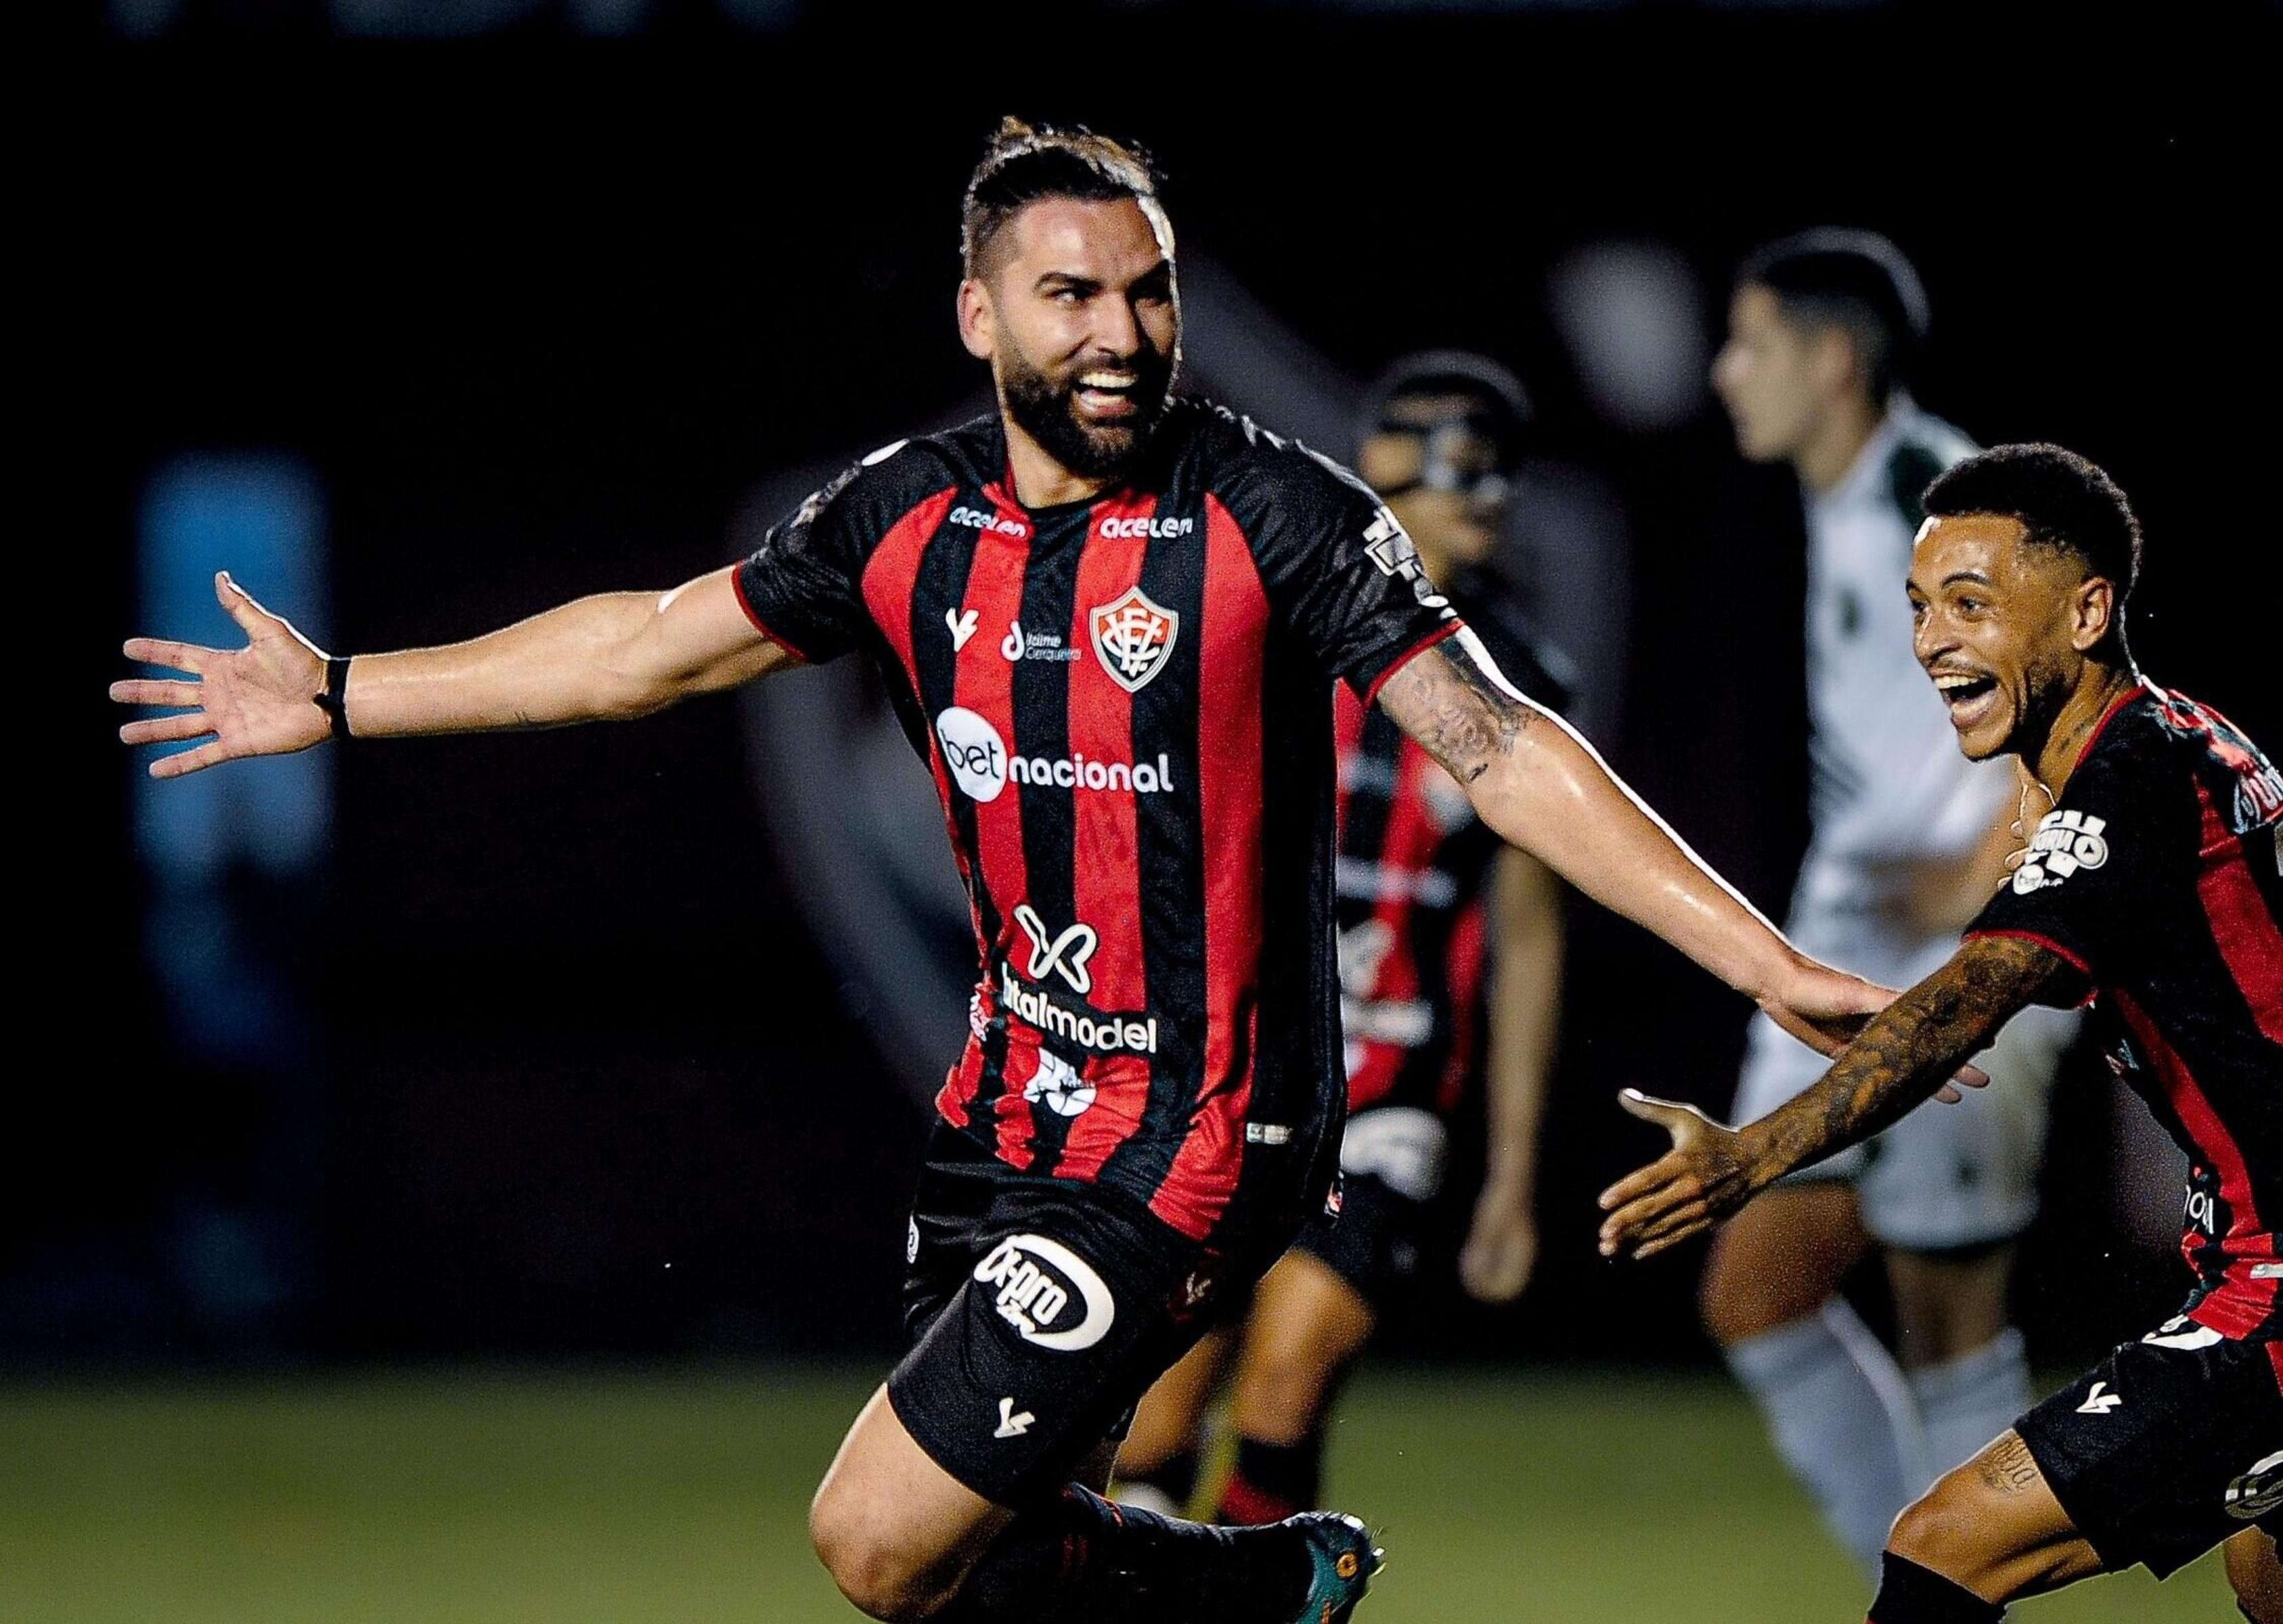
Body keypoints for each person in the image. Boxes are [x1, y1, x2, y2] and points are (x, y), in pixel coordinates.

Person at [114, 119, 1911, 1624]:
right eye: (1074, 295)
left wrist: (1762, 962)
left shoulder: (1272, 512)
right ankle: (1250, 1590)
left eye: (1149, 291)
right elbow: (646, 646)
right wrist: (346, 693)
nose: (1124, 333)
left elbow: (1501, 745)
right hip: (1006, 1109)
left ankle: (1235, 1586)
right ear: (981, 312)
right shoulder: (906, 515)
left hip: (1202, 1125)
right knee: (981, 1571)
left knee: (874, 1538)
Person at [1597, 443, 2283, 1624]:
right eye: (1918, 607)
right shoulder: (2149, 747)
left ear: (2090, 609)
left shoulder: (2135, 776)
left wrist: (1754, 1155)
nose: (1932, 640)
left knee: (1947, 1542)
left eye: (1972, 603)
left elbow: (1973, 997)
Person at [1111, 354, 1572, 1525]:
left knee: (1285, 1387)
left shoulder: (1522, 686)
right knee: (1156, 1424)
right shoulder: (1271, 634)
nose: (1487, 507)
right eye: (1462, 477)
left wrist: (1511, 1175)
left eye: (1499, 481)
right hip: (1236, 1077)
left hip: (1393, 1092)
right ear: (1385, 486)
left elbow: (1525, 942)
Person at [1702, 229, 2077, 1570]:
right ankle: (1915, 1589)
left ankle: (1953, 1602)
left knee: (1949, 1323)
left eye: (1749, 343)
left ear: (1831, 359)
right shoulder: (1856, 500)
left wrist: (1983, 881)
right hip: (1853, 950)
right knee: (1755, 1293)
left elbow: (2087, 694)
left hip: (1971, 956)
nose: (1724, 371)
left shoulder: (1939, 499)